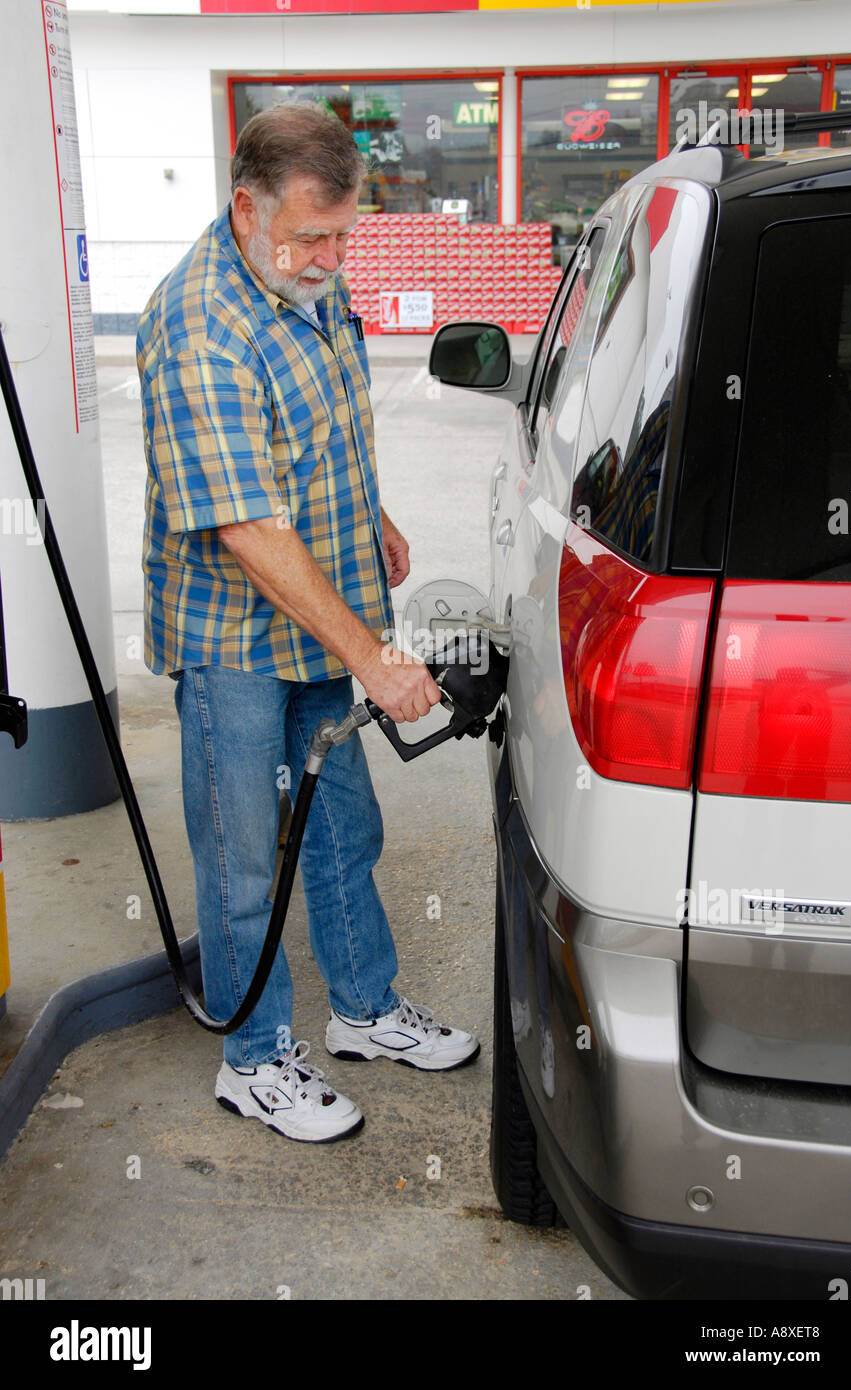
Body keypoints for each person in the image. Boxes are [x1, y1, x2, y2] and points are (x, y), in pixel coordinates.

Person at [136, 101, 480, 1144]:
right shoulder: (199, 322)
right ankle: (254, 1058)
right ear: (246, 208)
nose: (333, 258)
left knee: (341, 830)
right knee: (245, 860)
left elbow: (320, 413)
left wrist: (365, 511)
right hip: (236, 641)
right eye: (314, 236)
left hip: (321, 610)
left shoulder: (302, 275)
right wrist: (373, 655)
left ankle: (366, 1011)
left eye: (345, 236)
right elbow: (246, 524)